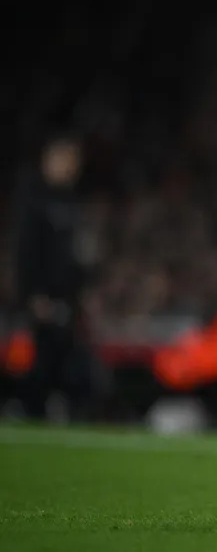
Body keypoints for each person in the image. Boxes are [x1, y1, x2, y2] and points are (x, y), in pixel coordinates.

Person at [13, 131, 94, 420]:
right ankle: (27, 411)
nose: (70, 166)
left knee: (68, 365)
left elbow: (77, 257)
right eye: (64, 159)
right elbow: (25, 253)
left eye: (74, 161)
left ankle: (58, 414)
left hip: (68, 301)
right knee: (42, 364)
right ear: (48, 161)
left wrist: (81, 296)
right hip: (44, 299)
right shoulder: (35, 202)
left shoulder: (72, 204)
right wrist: (32, 296)